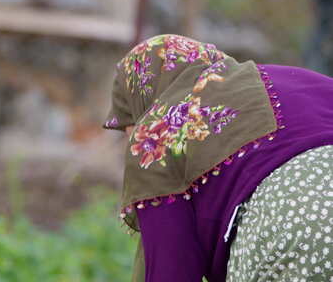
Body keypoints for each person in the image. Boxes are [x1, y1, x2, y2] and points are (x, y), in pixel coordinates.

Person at [102, 34, 333, 281]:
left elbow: (172, 269)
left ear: (140, 102)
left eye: (128, 128)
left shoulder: (156, 134)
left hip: (299, 226)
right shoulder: (292, 77)